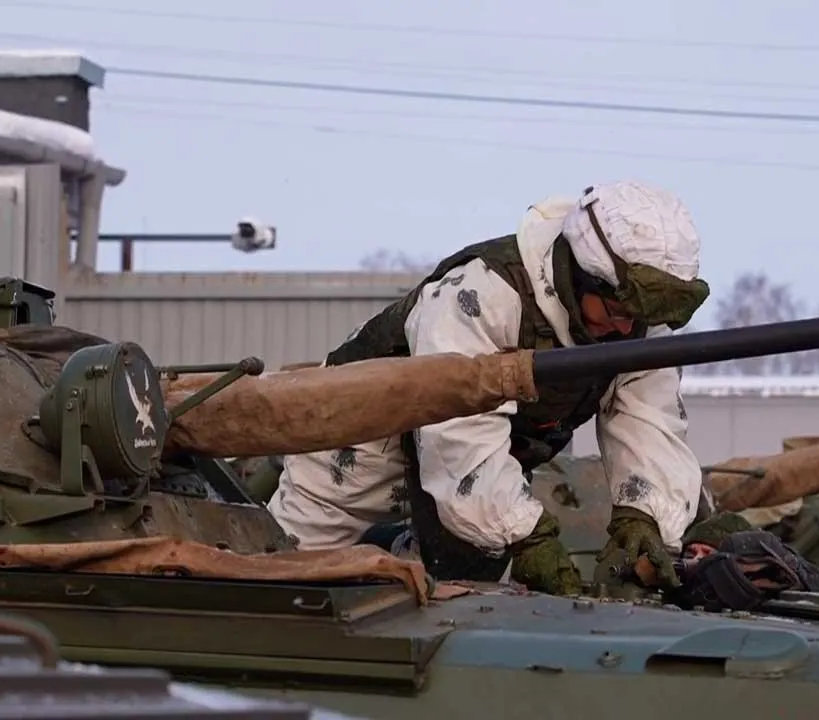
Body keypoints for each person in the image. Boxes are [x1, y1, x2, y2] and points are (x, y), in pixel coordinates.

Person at [270, 181, 711, 596]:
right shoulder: (482, 293)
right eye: (615, 312)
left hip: (479, 478)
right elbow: (458, 434)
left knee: (456, 594)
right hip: (355, 454)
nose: (626, 329)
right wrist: (524, 534)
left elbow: (650, 422)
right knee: (277, 585)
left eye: (639, 320)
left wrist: (642, 517)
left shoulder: (636, 316)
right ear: (582, 276)